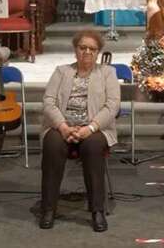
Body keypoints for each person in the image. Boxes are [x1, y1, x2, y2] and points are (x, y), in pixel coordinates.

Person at [39, 29, 120, 231]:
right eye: (82, 47)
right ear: (75, 50)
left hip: (94, 128)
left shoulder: (107, 73)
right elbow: (48, 102)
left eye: (92, 49)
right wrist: (63, 127)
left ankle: (97, 210)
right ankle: (48, 208)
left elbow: (112, 106)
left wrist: (90, 128)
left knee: (93, 147)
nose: (87, 52)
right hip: (62, 126)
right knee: (52, 144)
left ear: (98, 52)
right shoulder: (61, 71)